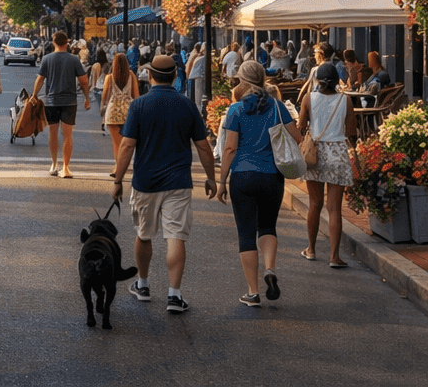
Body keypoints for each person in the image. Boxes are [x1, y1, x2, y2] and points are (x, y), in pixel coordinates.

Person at [109, 54, 217, 315]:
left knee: (144, 234)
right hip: (178, 182)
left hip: (145, 181)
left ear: (150, 76)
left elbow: (127, 145)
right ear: (176, 76)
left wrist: (118, 179)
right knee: (176, 236)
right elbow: (203, 145)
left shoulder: (139, 105)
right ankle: (174, 294)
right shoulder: (187, 104)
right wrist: (211, 177)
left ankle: (143, 285)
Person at [215, 61, 298, 306]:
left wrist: (221, 181)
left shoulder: (236, 110)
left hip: (243, 176)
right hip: (272, 175)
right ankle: (270, 269)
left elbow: (229, 148)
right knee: (268, 226)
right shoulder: (277, 107)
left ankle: (253, 292)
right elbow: (297, 136)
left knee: (246, 234)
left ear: (243, 81)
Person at [299, 63, 356, 267]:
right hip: (337, 153)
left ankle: (311, 249)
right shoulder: (345, 99)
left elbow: (301, 126)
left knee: (314, 204)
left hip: (314, 154)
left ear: (317, 80)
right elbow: (351, 130)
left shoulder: (308, 98)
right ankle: (334, 256)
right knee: (334, 209)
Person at [32, 31, 90, 177]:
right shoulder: (74, 60)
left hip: (51, 101)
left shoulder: (46, 59)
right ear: (67, 43)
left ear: (54, 42)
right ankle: (66, 167)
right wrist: (87, 97)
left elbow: (40, 80)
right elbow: (84, 81)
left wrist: (34, 95)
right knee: (68, 135)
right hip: (69, 101)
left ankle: (53, 164)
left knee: (53, 134)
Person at [101, 52, 139, 158]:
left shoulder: (109, 77)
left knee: (116, 143)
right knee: (126, 143)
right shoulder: (132, 76)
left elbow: (104, 98)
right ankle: (124, 164)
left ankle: (117, 166)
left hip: (113, 111)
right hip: (128, 111)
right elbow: (136, 96)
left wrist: (102, 111)